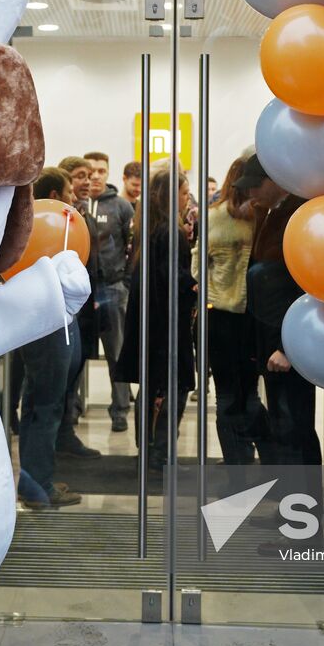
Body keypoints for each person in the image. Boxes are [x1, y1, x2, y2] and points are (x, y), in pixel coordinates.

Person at [237, 156, 319, 515]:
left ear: (276, 180)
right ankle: (292, 514)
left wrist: (286, 347)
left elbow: (302, 284)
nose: (252, 192)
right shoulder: (273, 213)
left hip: (289, 345)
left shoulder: (297, 214)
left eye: (256, 184)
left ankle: (303, 523)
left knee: (295, 431)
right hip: (274, 341)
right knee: (286, 430)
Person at [116, 163, 196, 472]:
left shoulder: (147, 228)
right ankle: (161, 454)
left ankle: (149, 452)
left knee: (150, 389)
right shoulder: (169, 231)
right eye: (184, 193)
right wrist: (194, 287)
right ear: (169, 196)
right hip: (167, 325)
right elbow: (173, 279)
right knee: (174, 388)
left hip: (150, 322)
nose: (187, 199)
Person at [12, 167, 83, 509]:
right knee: (45, 405)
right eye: (69, 192)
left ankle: (33, 481)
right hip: (48, 322)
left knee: (37, 402)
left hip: (40, 320)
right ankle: (38, 485)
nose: (73, 199)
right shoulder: (45, 230)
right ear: (54, 197)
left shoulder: (26, 226)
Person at [193, 158, 264, 465]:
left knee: (225, 394)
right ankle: (255, 453)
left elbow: (197, 267)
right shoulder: (263, 218)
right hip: (254, 316)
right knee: (250, 392)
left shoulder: (212, 217)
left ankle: (236, 461)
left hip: (218, 313)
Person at [84, 151, 134, 433]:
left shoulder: (121, 207)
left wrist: (125, 281)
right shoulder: (77, 204)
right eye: (91, 170)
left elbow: (132, 247)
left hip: (114, 288)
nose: (95, 176)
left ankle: (120, 410)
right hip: (84, 291)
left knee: (116, 353)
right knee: (79, 354)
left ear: (108, 172)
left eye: (101, 170)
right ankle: (74, 408)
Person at [55, 156, 101, 460]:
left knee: (75, 371)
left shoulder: (87, 215)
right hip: (62, 310)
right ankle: (62, 434)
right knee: (59, 382)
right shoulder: (60, 218)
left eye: (90, 175)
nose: (86, 181)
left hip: (87, 307)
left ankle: (65, 431)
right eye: (79, 176)